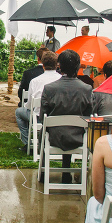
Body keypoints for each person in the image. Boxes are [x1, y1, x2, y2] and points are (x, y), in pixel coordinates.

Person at [40, 50, 93, 183]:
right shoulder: (86, 89)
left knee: (46, 130)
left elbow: (42, 118)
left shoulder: (49, 88)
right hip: (78, 137)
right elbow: (89, 116)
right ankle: (66, 171)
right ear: (78, 66)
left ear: (59, 66)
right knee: (70, 128)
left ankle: (43, 171)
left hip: (54, 137)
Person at [26, 50, 61, 129]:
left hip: (39, 118)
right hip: (58, 118)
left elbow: (29, 104)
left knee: (19, 112)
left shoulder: (35, 81)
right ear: (56, 65)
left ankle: (26, 139)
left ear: (43, 65)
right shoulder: (62, 80)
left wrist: (26, 106)